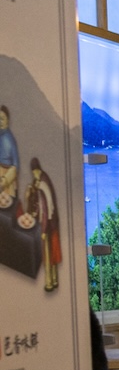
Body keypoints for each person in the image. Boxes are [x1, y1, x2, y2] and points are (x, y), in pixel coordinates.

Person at [24, 157, 58, 290]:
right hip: (51, 222)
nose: (34, 175)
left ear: (36, 170)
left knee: (48, 255)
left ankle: (49, 283)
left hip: (48, 224)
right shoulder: (42, 180)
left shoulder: (43, 183)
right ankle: (54, 280)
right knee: (52, 254)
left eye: (34, 173)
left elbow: (46, 208)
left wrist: (43, 229)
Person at [0, 103, 17, 208]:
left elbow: (15, 165)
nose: (0, 122)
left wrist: (5, 180)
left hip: (7, 177)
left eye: (2, 119)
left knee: (6, 204)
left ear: (8, 120)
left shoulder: (10, 140)